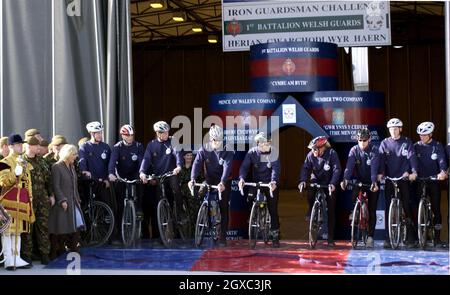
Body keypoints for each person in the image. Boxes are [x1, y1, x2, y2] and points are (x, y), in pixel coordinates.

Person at [188, 124, 234, 246]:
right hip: (210, 178)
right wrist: (192, 179)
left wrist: (223, 182)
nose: (217, 142)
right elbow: (197, 164)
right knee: (201, 191)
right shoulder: (204, 149)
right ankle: (204, 214)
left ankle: (223, 236)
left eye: (219, 140)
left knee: (223, 207)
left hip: (224, 180)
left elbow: (227, 167)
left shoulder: (227, 150)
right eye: (214, 140)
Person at [139, 121, 183, 241]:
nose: (167, 134)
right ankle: (163, 233)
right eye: (164, 132)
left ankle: (179, 213)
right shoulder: (151, 145)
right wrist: (142, 172)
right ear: (158, 133)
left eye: (168, 131)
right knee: (160, 202)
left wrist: (178, 166)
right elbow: (146, 159)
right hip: (159, 177)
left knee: (175, 189)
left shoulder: (172, 140)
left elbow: (177, 153)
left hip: (171, 173)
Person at [378, 118, 418, 248]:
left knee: (406, 206)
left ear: (400, 129)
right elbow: (381, 160)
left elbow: (411, 157)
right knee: (388, 206)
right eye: (391, 129)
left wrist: (413, 172)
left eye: (396, 129)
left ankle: (410, 237)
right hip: (390, 178)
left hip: (404, 178)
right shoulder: (384, 143)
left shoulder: (406, 142)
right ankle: (389, 238)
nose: (393, 131)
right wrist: (381, 173)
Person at [238, 132, 281, 247]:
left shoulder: (273, 152)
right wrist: (241, 178)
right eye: (262, 144)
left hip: (270, 184)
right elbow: (244, 167)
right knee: (249, 197)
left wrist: (274, 181)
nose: (265, 147)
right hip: (257, 182)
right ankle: (252, 216)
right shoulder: (252, 152)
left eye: (267, 144)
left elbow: (275, 169)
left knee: (273, 209)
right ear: (258, 144)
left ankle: (275, 234)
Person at [298, 136, 341, 247]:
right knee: (311, 189)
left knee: (331, 209)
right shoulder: (311, 155)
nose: (313, 151)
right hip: (316, 178)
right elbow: (305, 168)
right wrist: (302, 180)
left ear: (322, 148)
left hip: (329, 182)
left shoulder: (332, 154)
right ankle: (311, 208)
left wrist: (333, 183)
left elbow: (337, 169)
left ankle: (330, 238)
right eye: (312, 149)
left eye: (315, 149)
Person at [340, 128, 380, 248]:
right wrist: (345, 179)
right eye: (360, 140)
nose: (362, 143)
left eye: (365, 140)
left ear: (369, 139)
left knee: (372, 211)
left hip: (372, 181)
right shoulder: (354, 150)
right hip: (360, 180)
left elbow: (374, 168)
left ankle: (370, 237)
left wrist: (374, 182)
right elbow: (349, 166)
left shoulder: (374, 150)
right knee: (354, 193)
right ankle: (355, 211)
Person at [0, 134, 35, 270]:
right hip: (9, 201)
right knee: (8, 230)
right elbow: (3, 182)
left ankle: (17, 257)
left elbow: (28, 183)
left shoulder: (24, 161)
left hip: (22, 201)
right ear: (10, 146)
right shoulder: (5, 161)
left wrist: (30, 198)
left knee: (18, 231)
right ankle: (9, 259)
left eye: (21, 144)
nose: (21, 146)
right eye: (18, 144)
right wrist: (15, 174)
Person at [413, 122, 447, 246]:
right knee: (417, 207)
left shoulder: (437, 146)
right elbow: (411, 161)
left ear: (430, 134)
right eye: (420, 135)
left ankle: (437, 237)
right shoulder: (415, 146)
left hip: (433, 180)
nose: (422, 137)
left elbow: (442, 160)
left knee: (436, 208)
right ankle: (419, 236)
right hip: (420, 180)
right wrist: (412, 173)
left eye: (425, 135)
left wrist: (442, 171)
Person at [108, 124, 145, 239]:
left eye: (132, 135)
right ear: (123, 136)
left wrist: (142, 173)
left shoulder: (138, 146)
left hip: (135, 172)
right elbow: (112, 162)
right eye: (128, 135)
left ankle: (138, 208)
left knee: (140, 185)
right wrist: (111, 173)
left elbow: (141, 161)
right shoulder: (117, 147)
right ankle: (119, 231)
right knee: (120, 203)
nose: (130, 137)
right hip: (122, 174)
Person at [48, 144, 85, 259]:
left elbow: (75, 185)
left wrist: (77, 198)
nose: (76, 156)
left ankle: (74, 248)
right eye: (74, 154)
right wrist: (62, 200)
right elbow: (56, 186)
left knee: (77, 224)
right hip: (62, 203)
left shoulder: (72, 166)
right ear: (67, 155)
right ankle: (55, 251)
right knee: (58, 228)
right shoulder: (56, 166)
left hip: (73, 201)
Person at [21, 137, 53, 265]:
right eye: (36, 146)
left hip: (42, 199)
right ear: (29, 146)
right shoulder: (21, 161)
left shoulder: (41, 161)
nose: (39, 148)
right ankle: (27, 255)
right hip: (28, 199)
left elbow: (48, 179)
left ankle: (45, 254)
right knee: (28, 228)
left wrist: (51, 195)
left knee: (43, 226)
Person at [78, 122, 114, 216]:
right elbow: (82, 164)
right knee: (90, 211)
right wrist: (85, 172)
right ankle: (89, 229)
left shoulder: (105, 147)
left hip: (103, 184)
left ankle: (107, 228)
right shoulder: (84, 147)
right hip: (91, 183)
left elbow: (110, 165)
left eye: (101, 132)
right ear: (91, 133)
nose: (100, 135)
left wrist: (108, 179)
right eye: (98, 133)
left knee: (107, 210)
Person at [179, 149, 203, 237]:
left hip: (193, 191)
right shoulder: (180, 167)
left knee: (194, 212)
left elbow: (201, 180)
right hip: (182, 192)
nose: (189, 157)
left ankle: (194, 233)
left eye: (190, 155)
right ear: (184, 157)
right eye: (187, 155)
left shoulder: (195, 167)